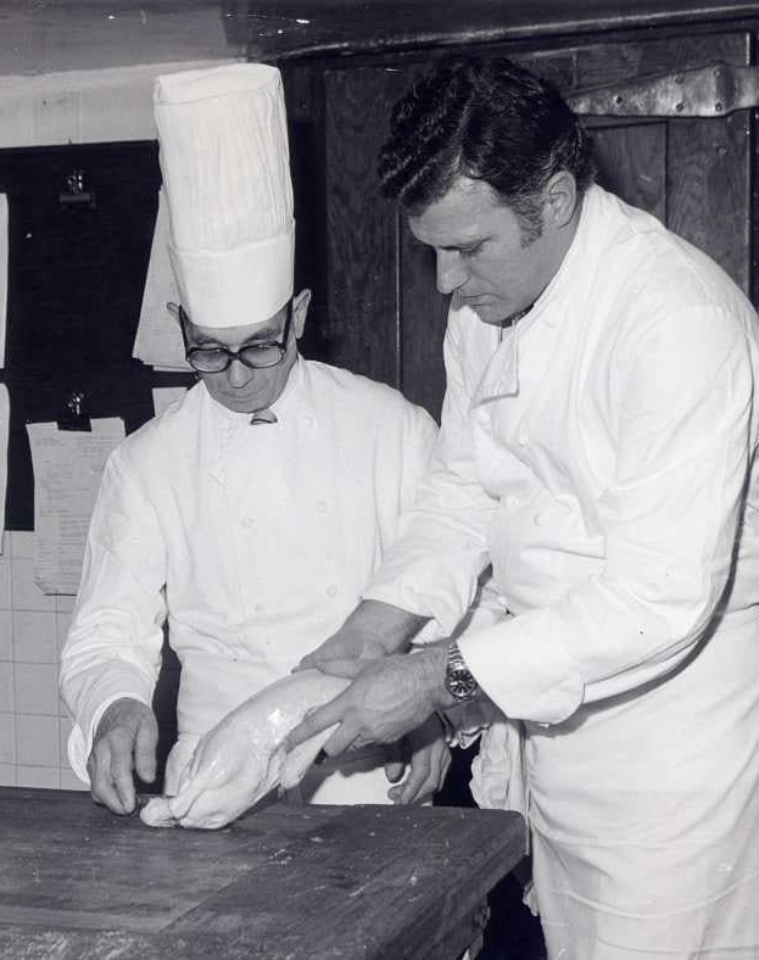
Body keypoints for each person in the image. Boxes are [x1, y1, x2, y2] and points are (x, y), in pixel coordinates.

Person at [288, 54, 759, 959]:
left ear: (554, 199)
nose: (443, 284)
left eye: (466, 248)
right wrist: (374, 625)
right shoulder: (486, 311)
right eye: (431, 251)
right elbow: (463, 488)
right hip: (553, 737)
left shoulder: (676, 322)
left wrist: (435, 679)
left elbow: (655, 602)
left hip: (675, 767)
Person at [59, 62, 449, 818]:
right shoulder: (148, 463)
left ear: (298, 316)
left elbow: (463, 601)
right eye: (207, 350)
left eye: (259, 347)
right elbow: (106, 630)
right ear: (180, 327)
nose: (234, 377)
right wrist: (112, 707)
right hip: (211, 786)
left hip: (367, 776)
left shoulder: (390, 430)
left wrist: (430, 707)